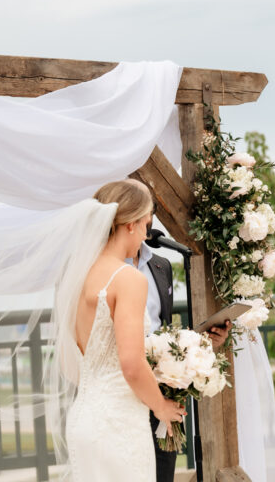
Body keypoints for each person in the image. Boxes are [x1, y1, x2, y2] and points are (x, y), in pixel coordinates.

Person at [65, 179, 186, 481]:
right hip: (118, 424)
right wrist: (161, 407)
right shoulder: (128, 278)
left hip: (85, 418)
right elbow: (131, 364)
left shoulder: (79, 275)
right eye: (146, 225)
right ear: (130, 224)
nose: (147, 234)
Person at [131, 212, 230, 482]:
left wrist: (202, 344)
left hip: (165, 390)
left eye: (149, 212)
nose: (148, 219)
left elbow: (162, 328)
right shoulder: (108, 269)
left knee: (163, 473)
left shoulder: (161, 265)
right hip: (125, 389)